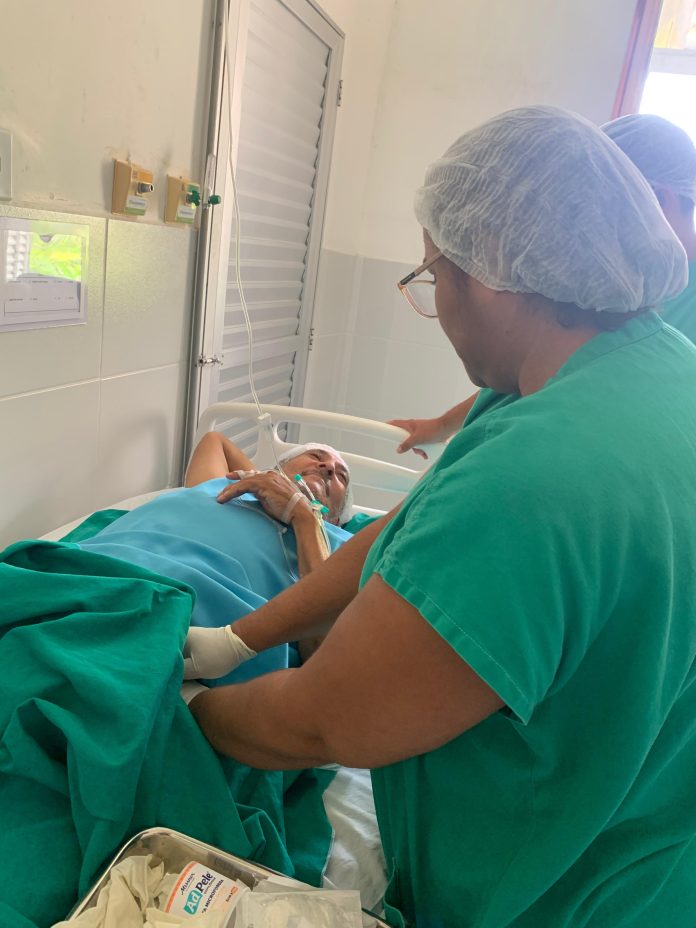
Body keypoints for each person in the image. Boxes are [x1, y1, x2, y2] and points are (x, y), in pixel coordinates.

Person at [181, 105, 696, 927]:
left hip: (555, 894)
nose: (436, 303)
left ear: (487, 270)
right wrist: (237, 640)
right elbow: (405, 537)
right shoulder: (643, 371)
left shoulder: (537, 478)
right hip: (652, 855)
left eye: (431, 276)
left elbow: (325, 720)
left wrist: (186, 709)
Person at [389, 112, 696, 458]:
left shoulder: (643, 306)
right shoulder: (601, 285)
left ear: (659, 198)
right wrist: (443, 425)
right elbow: (541, 365)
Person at [79, 430, 354, 680]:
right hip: (94, 569)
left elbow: (325, 657)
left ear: (338, 519)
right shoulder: (225, 486)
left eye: (341, 476)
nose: (328, 467)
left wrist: (303, 517)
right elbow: (215, 440)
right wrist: (266, 481)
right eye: (316, 457)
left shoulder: (342, 547)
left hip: (173, 610)